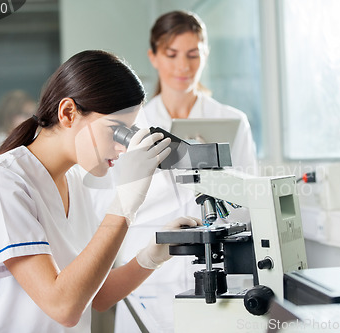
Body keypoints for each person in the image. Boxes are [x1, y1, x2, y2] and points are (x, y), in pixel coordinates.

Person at [0, 50, 202, 333]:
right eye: (116, 130)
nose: (123, 146)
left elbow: (96, 295)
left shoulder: (76, 181)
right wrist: (125, 204)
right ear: (68, 113)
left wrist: (152, 254)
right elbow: (64, 307)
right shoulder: (2, 183)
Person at [106, 10, 259, 332]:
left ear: (205, 55)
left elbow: (249, 201)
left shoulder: (231, 121)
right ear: (154, 56)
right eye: (171, 54)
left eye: (193, 54)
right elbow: (114, 201)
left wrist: (214, 168)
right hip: (147, 272)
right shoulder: (133, 124)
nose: (182, 66)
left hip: (216, 268)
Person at [0, 89, 37, 159]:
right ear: (11, 116)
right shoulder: (0, 141)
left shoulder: (31, 137)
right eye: (26, 114)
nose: (31, 119)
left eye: (33, 114)